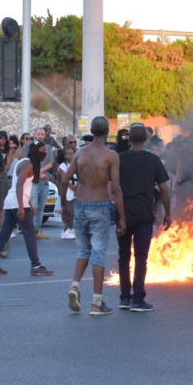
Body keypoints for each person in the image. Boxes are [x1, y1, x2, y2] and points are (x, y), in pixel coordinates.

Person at [62, 117, 126, 316]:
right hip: (99, 206)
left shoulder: (80, 152)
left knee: (83, 251)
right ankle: (97, 302)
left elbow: (64, 181)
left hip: (80, 204)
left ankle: (75, 285)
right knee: (98, 254)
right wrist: (122, 217)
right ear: (108, 131)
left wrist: (65, 206)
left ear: (91, 130)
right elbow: (115, 188)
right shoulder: (111, 155)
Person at [115, 124, 172, 312]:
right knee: (141, 257)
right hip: (144, 214)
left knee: (123, 256)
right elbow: (164, 189)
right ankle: (138, 299)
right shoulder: (154, 160)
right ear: (146, 140)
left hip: (122, 214)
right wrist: (167, 213)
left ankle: (124, 297)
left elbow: (113, 187)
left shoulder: (119, 159)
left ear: (129, 139)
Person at [0, 141, 54, 277]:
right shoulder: (27, 164)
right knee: (30, 235)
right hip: (18, 203)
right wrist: (23, 208)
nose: (44, 153)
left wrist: (30, 204)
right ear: (35, 151)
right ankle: (36, 265)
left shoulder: (24, 162)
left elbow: (23, 187)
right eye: (42, 150)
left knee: (4, 234)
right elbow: (19, 186)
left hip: (13, 202)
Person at [28, 127, 54, 240]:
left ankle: (38, 229)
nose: (40, 136)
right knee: (33, 205)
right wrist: (37, 174)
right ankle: (30, 230)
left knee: (41, 208)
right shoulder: (28, 146)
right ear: (34, 135)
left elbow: (51, 163)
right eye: (38, 134)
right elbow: (26, 162)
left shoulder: (48, 147)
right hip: (33, 181)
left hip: (44, 181)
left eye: (42, 134)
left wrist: (40, 172)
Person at [57, 146, 78, 240]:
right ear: (65, 156)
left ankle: (71, 228)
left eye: (72, 153)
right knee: (68, 211)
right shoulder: (62, 166)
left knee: (74, 212)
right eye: (69, 153)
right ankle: (66, 229)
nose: (71, 155)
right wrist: (71, 187)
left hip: (77, 191)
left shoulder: (76, 164)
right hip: (68, 191)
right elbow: (63, 179)